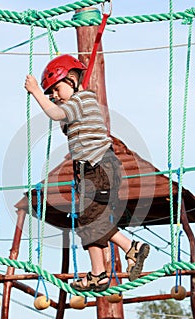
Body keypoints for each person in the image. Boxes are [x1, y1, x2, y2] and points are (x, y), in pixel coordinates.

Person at [25, 54, 150, 292]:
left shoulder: (82, 99)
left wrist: (36, 92)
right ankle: (98, 274)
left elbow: (56, 115)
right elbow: (63, 122)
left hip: (99, 167)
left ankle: (129, 246)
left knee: (90, 219)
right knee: (88, 220)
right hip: (91, 171)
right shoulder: (75, 104)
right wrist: (56, 100)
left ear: (72, 80)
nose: (54, 96)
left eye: (56, 89)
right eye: (50, 93)